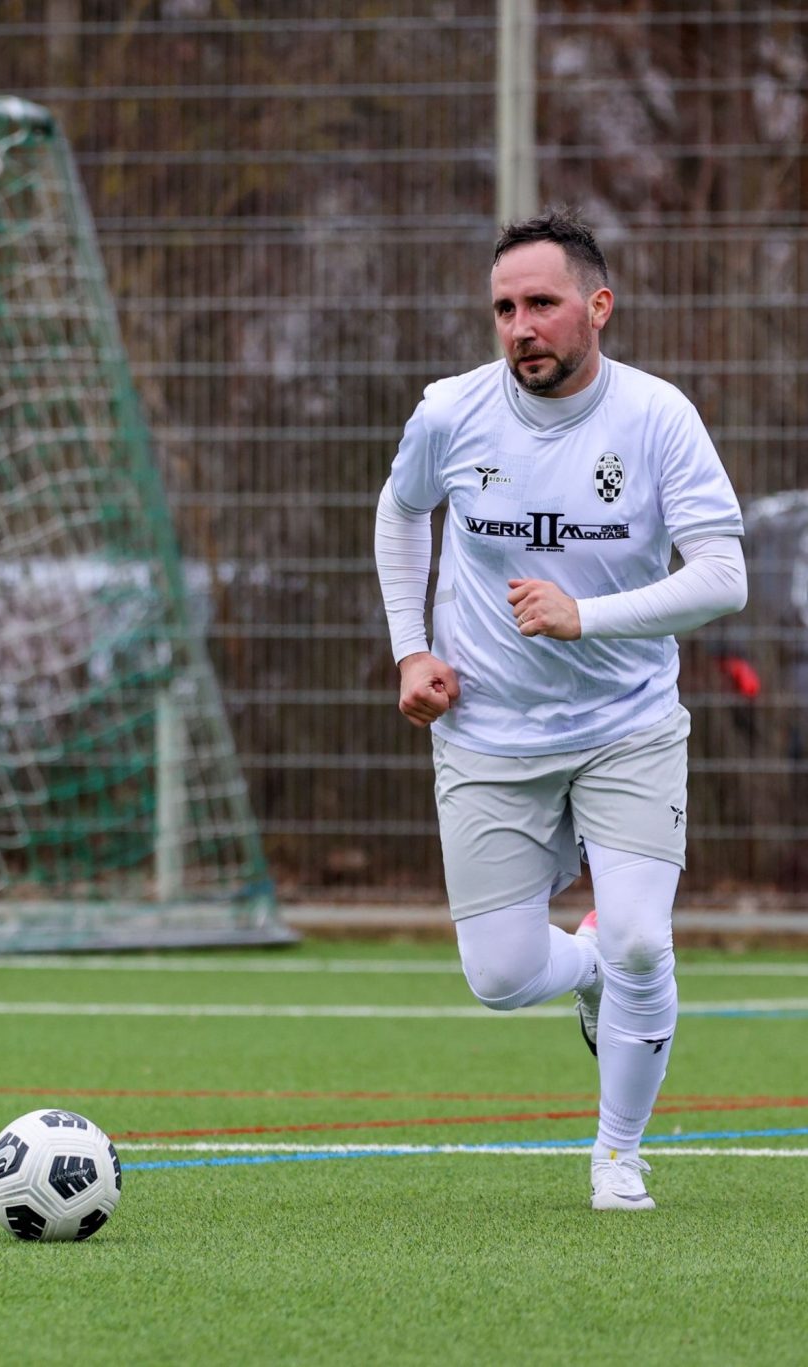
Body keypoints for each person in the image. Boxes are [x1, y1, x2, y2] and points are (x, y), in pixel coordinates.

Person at [374, 206, 747, 1210]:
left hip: (626, 722)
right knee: (497, 977)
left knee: (637, 937)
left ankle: (617, 1152)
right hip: (486, 731)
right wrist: (412, 647)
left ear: (596, 307)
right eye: (502, 308)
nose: (518, 326)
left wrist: (589, 616)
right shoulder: (451, 411)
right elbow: (402, 507)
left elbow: (721, 575)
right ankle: (583, 974)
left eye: (539, 303)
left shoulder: (656, 417)